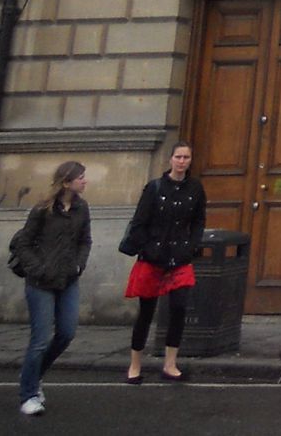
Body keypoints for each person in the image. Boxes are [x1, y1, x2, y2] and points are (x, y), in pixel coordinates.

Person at [121, 141, 207, 384]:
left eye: (186, 158)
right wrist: (149, 247)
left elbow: (199, 220)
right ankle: (135, 364)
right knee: (146, 312)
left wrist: (191, 246)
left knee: (179, 309)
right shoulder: (154, 188)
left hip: (180, 257)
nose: (182, 162)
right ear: (170, 160)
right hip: (153, 258)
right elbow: (139, 223)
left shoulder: (195, 188)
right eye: (178, 157)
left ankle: (170, 364)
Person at [12, 161, 91, 417]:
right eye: (80, 178)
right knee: (40, 339)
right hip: (40, 283)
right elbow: (23, 244)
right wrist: (39, 268)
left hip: (68, 280)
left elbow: (85, 241)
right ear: (66, 182)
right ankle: (29, 394)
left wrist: (79, 265)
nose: (84, 181)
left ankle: (33, 375)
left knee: (67, 333)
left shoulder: (82, 207)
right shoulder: (42, 209)